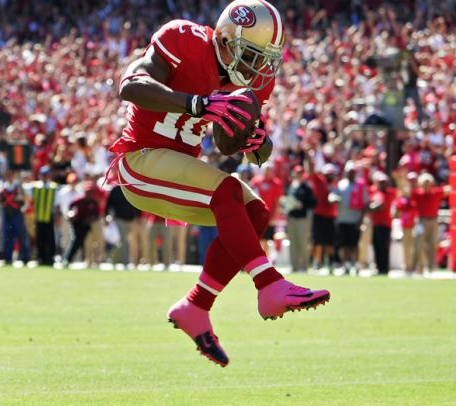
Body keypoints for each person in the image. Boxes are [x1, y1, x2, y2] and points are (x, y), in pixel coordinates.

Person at [112, 0, 329, 367]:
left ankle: (195, 307)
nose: (258, 67)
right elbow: (131, 85)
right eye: (251, 54)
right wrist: (196, 103)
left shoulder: (255, 81)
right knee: (227, 191)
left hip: (175, 170)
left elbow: (228, 144)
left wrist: (257, 142)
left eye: (266, 58)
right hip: (141, 162)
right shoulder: (184, 39)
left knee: (255, 212)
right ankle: (269, 284)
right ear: (227, 41)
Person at [333, 162, 368, 275]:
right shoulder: (341, 184)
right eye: (349, 172)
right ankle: (346, 264)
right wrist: (333, 198)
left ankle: (356, 264)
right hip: (342, 219)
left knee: (355, 244)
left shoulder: (360, 185)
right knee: (344, 244)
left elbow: (365, 204)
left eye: (352, 172)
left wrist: (361, 220)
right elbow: (334, 195)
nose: (351, 174)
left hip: (355, 220)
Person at [284, 165, 316, 272]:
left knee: (303, 243)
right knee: (293, 243)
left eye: (300, 173)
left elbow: (313, 203)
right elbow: (287, 200)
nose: (298, 175)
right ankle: (294, 266)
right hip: (292, 218)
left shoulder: (307, 188)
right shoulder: (291, 186)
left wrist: (302, 205)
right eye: (296, 173)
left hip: (302, 218)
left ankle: (304, 266)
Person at [411, 173, 445, 274]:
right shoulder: (417, 194)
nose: (426, 185)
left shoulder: (436, 193)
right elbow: (406, 193)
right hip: (422, 220)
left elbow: (448, 189)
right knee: (418, 245)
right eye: (424, 183)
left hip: (433, 221)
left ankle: (431, 268)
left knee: (432, 245)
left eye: (428, 183)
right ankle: (416, 267)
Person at [309, 162, 338, 273]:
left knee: (330, 242)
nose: (330, 176)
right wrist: (308, 156)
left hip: (331, 216)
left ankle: (330, 263)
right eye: (328, 174)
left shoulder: (335, 185)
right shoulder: (319, 181)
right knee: (317, 241)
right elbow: (311, 170)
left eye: (332, 174)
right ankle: (317, 262)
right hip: (319, 215)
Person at [28, 166, 59, 266]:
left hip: (49, 216)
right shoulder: (35, 186)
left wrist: (58, 215)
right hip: (39, 216)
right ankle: (40, 257)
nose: (45, 177)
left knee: (50, 238)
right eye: (43, 175)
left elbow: (57, 203)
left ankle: (50, 257)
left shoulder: (54, 187)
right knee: (40, 239)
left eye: (46, 175)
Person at [64, 182, 101, 264]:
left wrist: (90, 219)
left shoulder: (94, 202)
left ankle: (87, 260)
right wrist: (71, 214)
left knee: (87, 242)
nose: (89, 194)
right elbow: (70, 208)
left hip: (87, 224)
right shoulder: (78, 200)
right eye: (88, 192)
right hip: (77, 223)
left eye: (91, 192)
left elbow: (97, 215)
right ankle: (67, 259)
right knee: (77, 240)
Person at [368, 173, 396, 275]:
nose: (382, 184)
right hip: (376, 223)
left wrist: (372, 207)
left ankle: (384, 268)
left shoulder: (389, 194)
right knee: (376, 246)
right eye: (381, 182)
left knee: (384, 247)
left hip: (385, 224)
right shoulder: (375, 192)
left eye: (384, 182)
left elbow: (380, 206)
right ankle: (379, 267)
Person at [105, 185, 140, 266]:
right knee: (124, 240)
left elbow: (137, 203)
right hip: (119, 219)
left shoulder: (132, 188)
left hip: (131, 219)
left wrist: (138, 216)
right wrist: (106, 215)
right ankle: (126, 262)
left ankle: (113, 259)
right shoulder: (115, 189)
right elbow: (109, 203)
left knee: (127, 241)